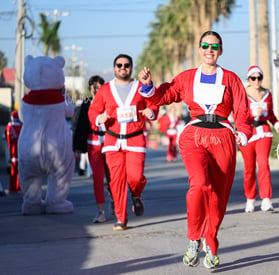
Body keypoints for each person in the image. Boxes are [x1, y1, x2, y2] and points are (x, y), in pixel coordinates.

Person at [138, 31, 252, 269]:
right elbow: (162, 96)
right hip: (194, 136)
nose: (209, 49)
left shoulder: (231, 78)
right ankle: (194, 238)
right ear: (199, 49)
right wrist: (148, 85)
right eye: (205, 45)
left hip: (223, 137)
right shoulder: (187, 77)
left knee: (218, 198)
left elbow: (242, 109)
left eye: (214, 46)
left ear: (220, 51)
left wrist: (242, 133)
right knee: (199, 184)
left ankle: (211, 244)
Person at [88, 54, 159, 231]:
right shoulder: (105, 89)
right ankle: (121, 218)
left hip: (135, 139)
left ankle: (136, 194)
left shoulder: (140, 87)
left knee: (135, 177)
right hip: (113, 141)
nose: (122, 68)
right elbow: (93, 111)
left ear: (131, 68)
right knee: (116, 181)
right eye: (119, 65)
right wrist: (99, 118)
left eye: (126, 65)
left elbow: (153, 101)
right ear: (114, 68)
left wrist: (151, 111)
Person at [239, 66, 279, 213]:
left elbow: (270, 114)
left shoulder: (267, 94)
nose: (256, 81)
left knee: (263, 164)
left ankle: (266, 200)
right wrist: (252, 114)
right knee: (249, 169)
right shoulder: (243, 95)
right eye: (253, 78)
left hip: (264, 132)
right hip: (247, 133)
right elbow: (239, 116)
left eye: (259, 78)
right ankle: (250, 199)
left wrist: (276, 123)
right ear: (249, 79)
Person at [73, 75, 114, 223]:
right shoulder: (86, 104)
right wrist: (77, 147)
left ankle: (114, 201)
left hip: (110, 143)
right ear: (90, 89)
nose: (96, 89)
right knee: (97, 178)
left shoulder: (110, 101)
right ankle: (101, 211)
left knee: (113, 178)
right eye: (93, 87)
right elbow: (80, 126)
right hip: (93, 145)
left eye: (99, 86)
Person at [5, 111, 22, 193]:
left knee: (13, 171)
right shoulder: (22, 126)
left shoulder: (10, 126)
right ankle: (19, 187)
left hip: (13, 151)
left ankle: (12, 188)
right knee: (20, 171)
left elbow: (8, 139)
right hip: (21, 152)